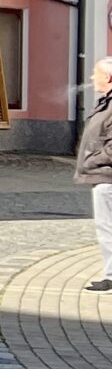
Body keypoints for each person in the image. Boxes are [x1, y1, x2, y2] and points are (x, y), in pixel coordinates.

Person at [78, 58, 112, 292]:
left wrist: (93, 159)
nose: (91, 78)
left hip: (106, 177)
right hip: (102, 174)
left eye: (95, 73)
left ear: (108, 77)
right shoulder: (106, 102)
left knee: (107, 227)